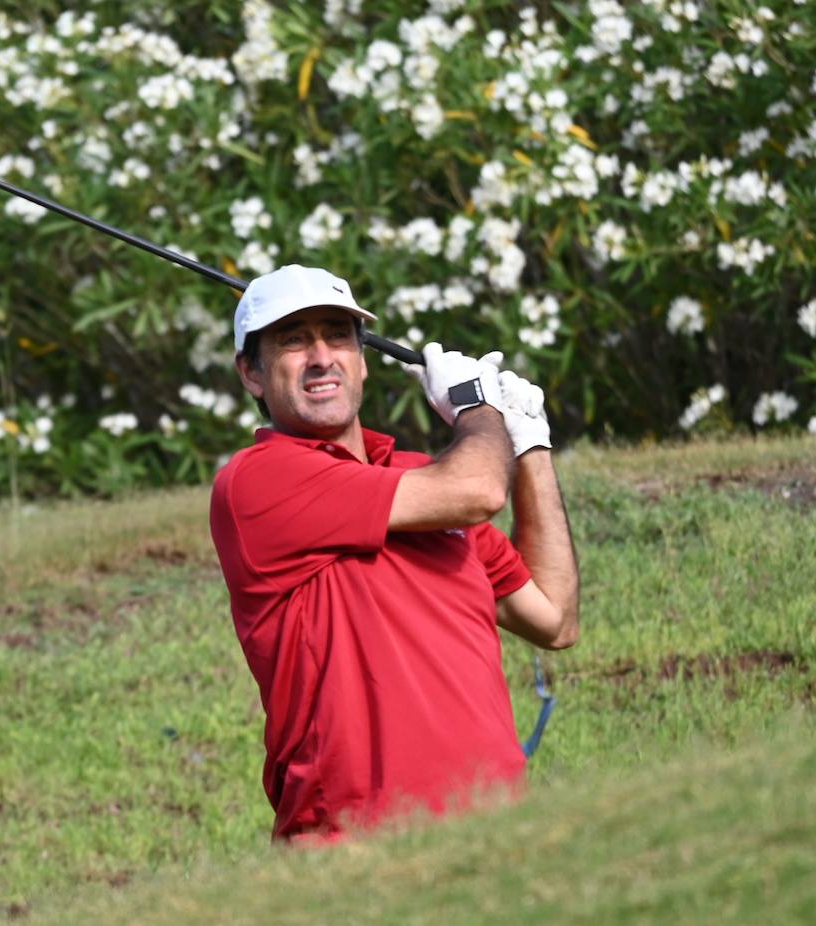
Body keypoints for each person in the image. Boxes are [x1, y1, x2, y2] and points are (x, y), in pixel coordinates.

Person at [209, 264, 580, 843]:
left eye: (338, 335)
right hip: (355, 846)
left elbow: (555, 619)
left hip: (498, 829)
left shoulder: (422, 485)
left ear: (362, 358)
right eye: (292, 341)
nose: (321, 356)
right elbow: (480, 489)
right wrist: (477, 410)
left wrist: (530, 442)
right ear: (251, 374)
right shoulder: (259, 482)